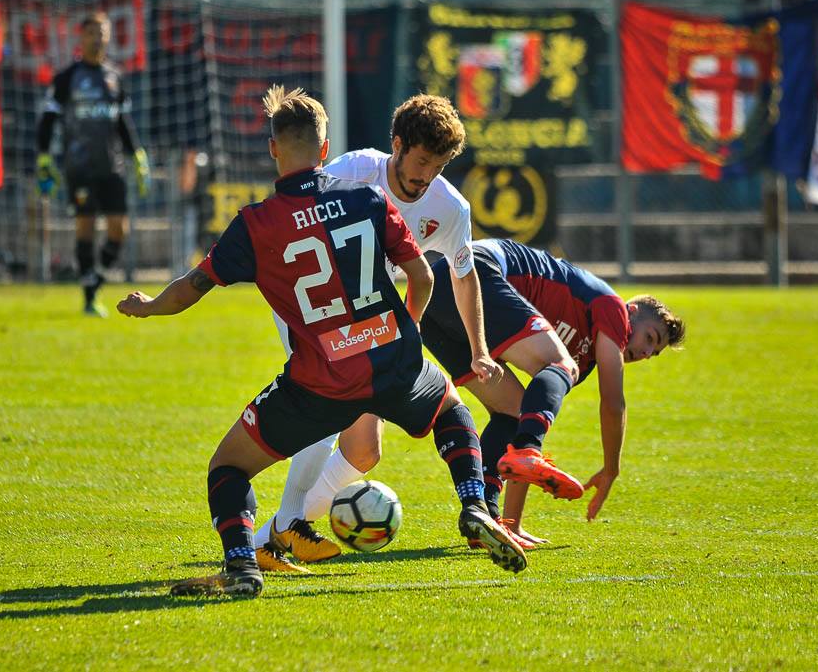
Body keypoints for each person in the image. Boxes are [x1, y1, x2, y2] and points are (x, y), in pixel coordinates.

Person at [117, 86, 525, 597]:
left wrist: (150, 304)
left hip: (321, 374)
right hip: (392, 359)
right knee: (452, 410)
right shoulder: (368, 197)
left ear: (273, 148)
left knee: (228, 468)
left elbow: (191, 288)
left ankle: (243, 564)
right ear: (326, 149)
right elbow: (423, 276)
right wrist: (406, 333)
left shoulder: (255, 224)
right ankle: (473, 504)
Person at [252, 95, 503, 572]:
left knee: (363, 451)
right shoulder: (355, 172)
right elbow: (292, 209)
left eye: (439, 166)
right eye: (422, 161)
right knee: (329, 407)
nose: (427, 176)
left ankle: (266, 540)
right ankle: (283, 530)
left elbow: (462, 274)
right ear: (398, 145)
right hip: (311, 307)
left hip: (368, 320)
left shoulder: (451, 208)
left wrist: (479, 350)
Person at [420, 238, 686, 548]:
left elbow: (527, 419)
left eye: (654, 352)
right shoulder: (613, 308)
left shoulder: (585, 359)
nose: (646, 352)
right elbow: (613, 403)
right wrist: (611, 469)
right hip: (473, 273)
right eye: (650, 338)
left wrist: (514, 523)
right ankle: (526, 453)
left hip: (435, 305)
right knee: (561, 370)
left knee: (514, 414)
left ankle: (487, 517)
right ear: (632, 312)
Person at [36, 11, 151, 317]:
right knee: (85, 227)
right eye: (91, 33)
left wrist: (137, 156)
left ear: (108, 37)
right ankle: (89, 297)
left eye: (102, 33)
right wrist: (44, 157)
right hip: (80, 167)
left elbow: (123, 122)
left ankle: (96, 279)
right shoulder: (67, 78)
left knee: (119, 230)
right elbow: (48, 119)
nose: (97, 38)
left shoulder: (114, 77)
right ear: (81, 37)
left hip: (112, 166)